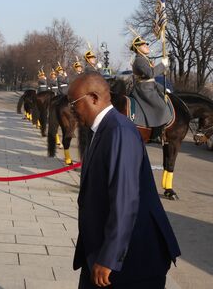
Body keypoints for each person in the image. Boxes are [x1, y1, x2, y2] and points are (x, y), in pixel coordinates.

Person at [68, 73, 180, 288]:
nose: (72, 110)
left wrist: (110, 257)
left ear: (93, 98)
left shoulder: (118, 131)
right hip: (106, 249)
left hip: (133, 256)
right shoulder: (101, 129)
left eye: (74, 103)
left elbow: (125, 199)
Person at [130, 36, 172, 140]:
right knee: (161, 107)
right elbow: (150, 74)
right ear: (138, 48)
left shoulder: (145, 59)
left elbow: (152, 77)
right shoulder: (139, 60)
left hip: (152, 86)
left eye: (146, 44)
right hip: (144, 89)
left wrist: (169, 63)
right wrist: (162, 65)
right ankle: (156, 134)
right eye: (144, 45)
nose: (146, 46)